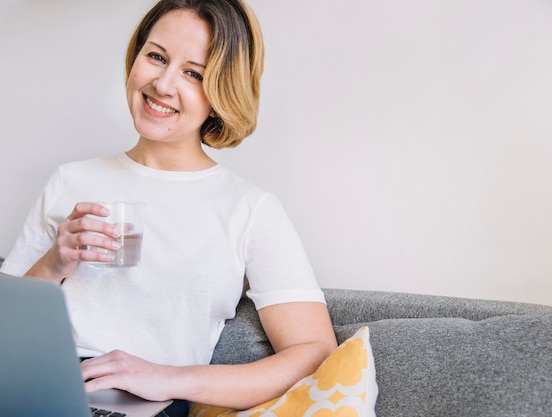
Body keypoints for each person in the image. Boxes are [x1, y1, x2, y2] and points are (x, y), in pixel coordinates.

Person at [0, 0, 337, 416]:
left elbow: (314, 351)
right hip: (40, 383)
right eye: (156, 56)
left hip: (148, 403)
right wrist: (54, 263)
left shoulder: (250, 210)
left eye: (193, 73)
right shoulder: (70, 180)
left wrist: (168, 378)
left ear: (220, 93)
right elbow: (5, 324)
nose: (162, 84)